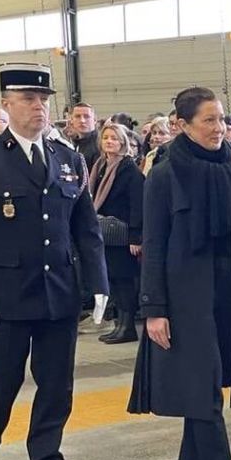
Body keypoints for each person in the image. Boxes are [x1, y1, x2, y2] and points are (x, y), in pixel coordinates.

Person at [0, 62, 108, 460]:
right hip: (6, 293)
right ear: (6, 104)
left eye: (43, 100)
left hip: (58, 290)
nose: (38, 107)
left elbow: (86, 228)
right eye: (27, 99)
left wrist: (98, 283)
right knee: (0, 381)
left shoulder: (68, 158)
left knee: (57, 383)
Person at [128, 87, 231, 460]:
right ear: (181, 125)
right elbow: (154, 245)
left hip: (226, 295)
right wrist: (153, 308)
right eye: (209, 121)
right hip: (183, 299)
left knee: (209, 389)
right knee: (203, 396)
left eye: (222, 120)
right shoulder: (164, 174)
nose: (219, 129)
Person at [90, 124, 145, 344]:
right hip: (106, 233)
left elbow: (137, 204)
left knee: (124, 282)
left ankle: (128, 326)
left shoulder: (128, 169)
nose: (109, 141)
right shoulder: (101, 165)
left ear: (123, 143)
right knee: (113, 280)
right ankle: (119, 324)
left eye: (114, 138)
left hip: (122, 235)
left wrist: (135, 236)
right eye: (106, 138)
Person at [68, 102, 100, 170]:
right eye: (77, 116)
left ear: (94, 120)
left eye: (86, 116)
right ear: (71, 121)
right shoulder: (71, 144)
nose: (82, 121)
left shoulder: (100, 145)